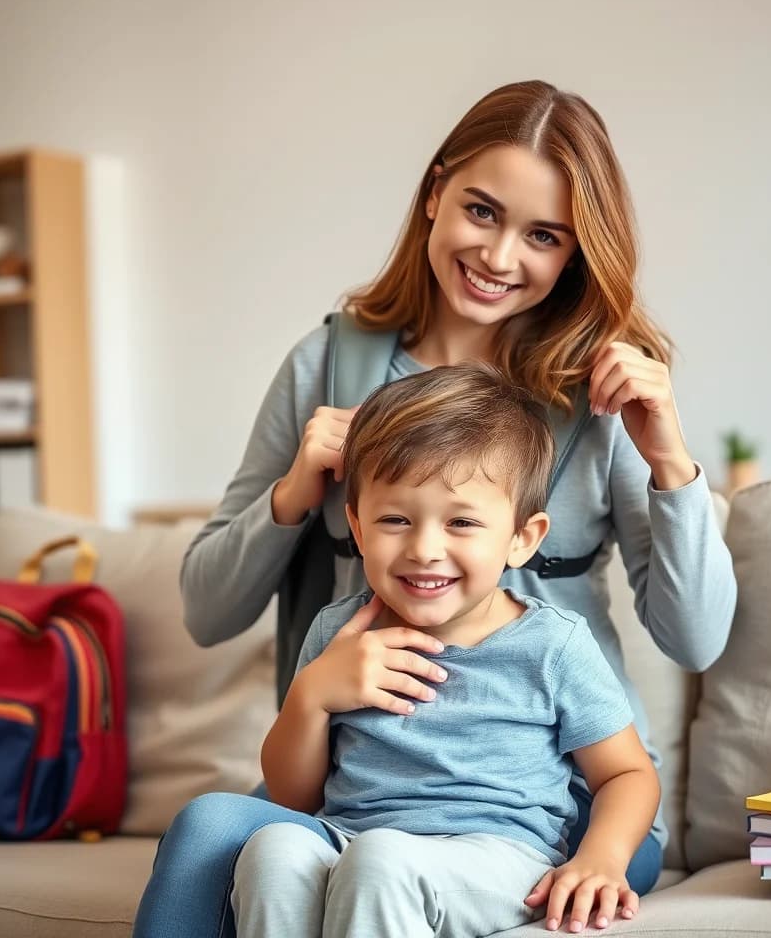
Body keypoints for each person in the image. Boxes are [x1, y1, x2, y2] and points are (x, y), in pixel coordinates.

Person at [132, 79, 737, 938]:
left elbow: (697, 639)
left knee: (380, 864)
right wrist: (300, 492)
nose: (498, 257)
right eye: (481, 212)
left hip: (549, 794)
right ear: (434, 195)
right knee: (213, 834)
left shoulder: (598, 396)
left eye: (543, 236)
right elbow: (205, 610)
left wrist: (668, 456)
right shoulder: (330, 365)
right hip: (367, 775)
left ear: (575, 253)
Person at [232, 363, 660, 936]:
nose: (424, 548)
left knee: (381, 861)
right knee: (273, 848)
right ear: (357, 530)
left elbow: (628, 774)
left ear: (520, 539)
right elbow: (291, 796)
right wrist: (310, 697)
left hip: (500, 855)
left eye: (460, 521)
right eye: (394, 520)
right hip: (352, 841)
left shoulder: (552, 644)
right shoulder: (341, 633)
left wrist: (600, 858)